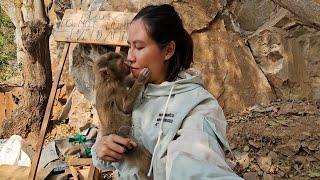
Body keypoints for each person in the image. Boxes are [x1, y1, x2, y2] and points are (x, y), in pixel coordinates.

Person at [92, 4, 242, 180]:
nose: (129, 56)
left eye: (139, 47)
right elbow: (102, 156)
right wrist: (102, 148)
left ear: (168, 50)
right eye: (129, 46)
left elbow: (196, 164)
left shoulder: (196, 105)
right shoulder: (131, 89)